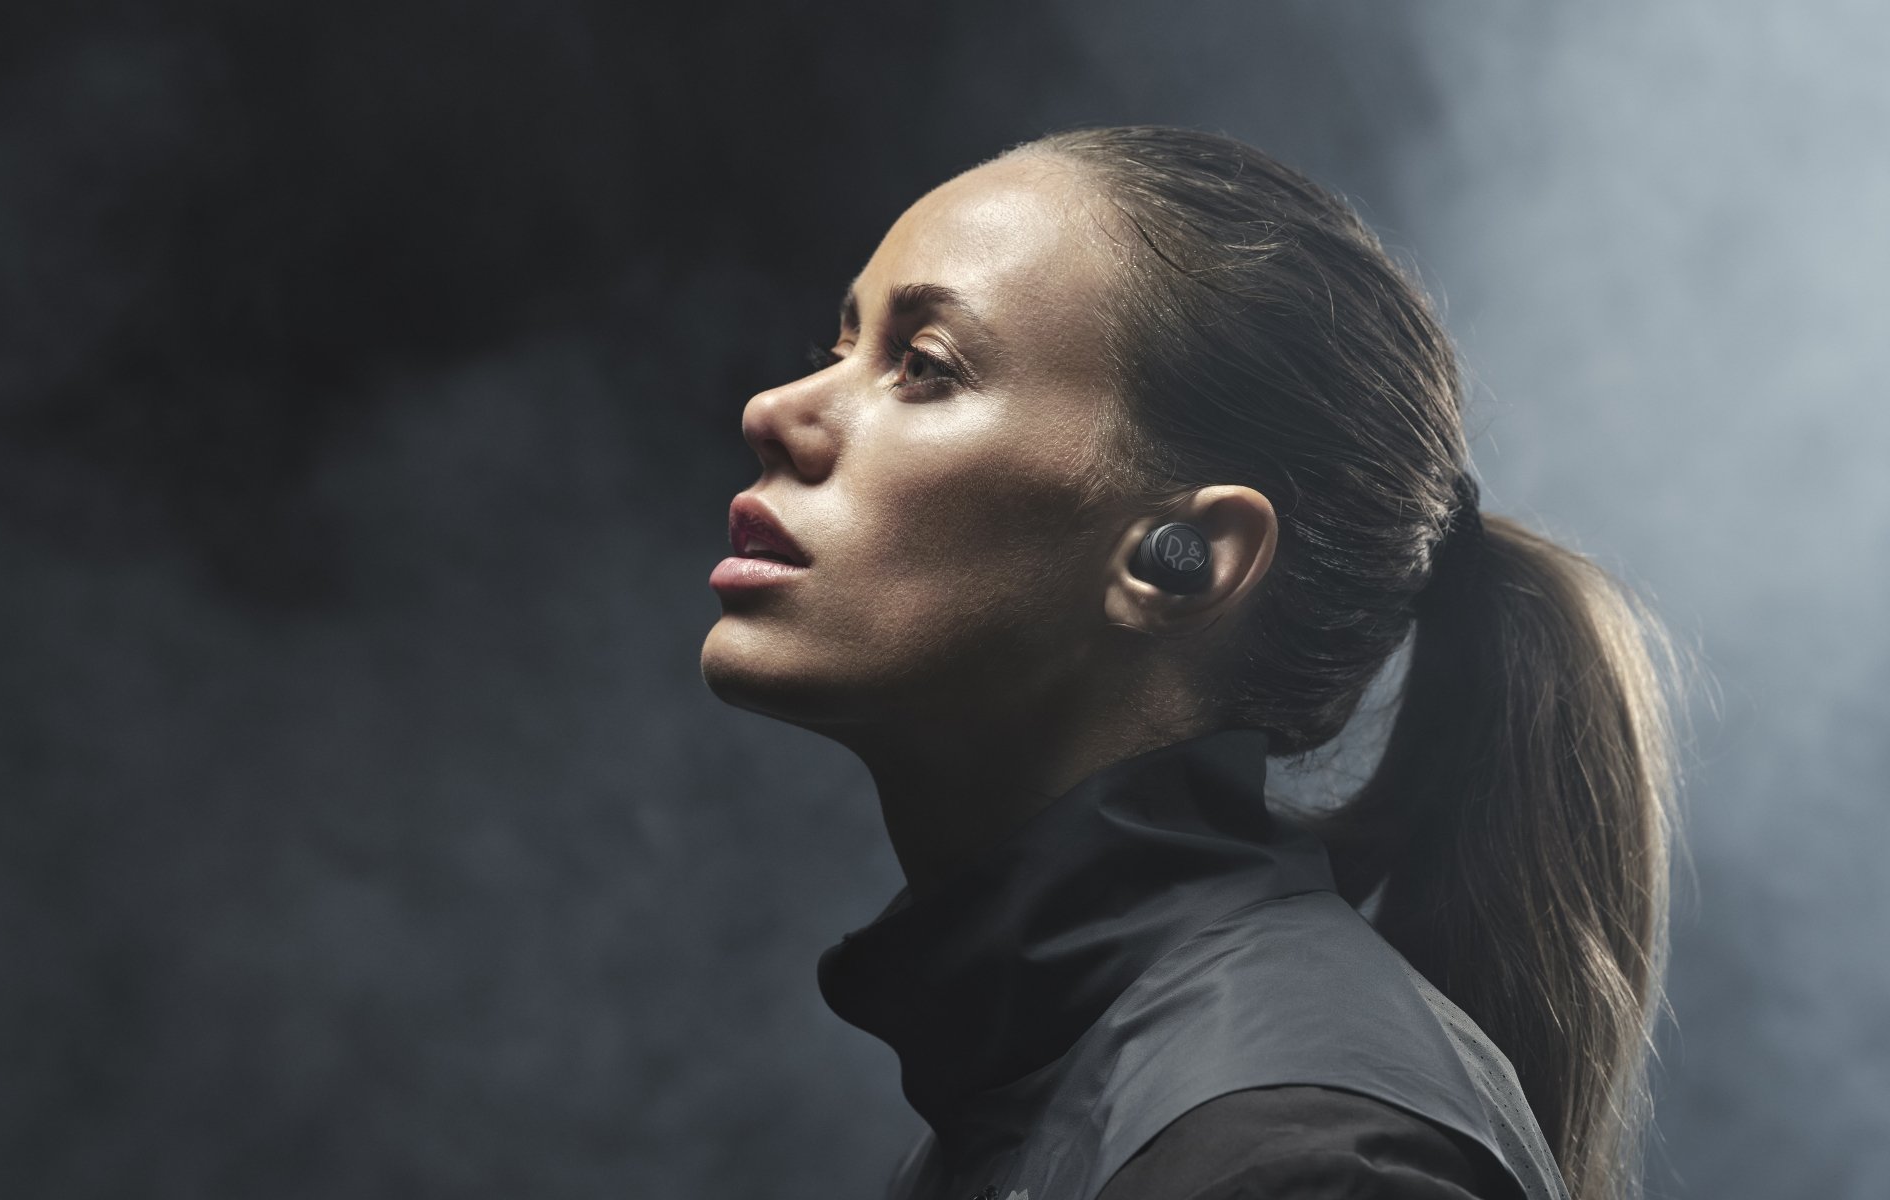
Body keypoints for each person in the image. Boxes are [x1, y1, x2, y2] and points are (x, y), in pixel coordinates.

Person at [701, 125, 1681, 1200]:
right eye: (838, 351)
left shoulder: (1293, 1162)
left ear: (1183, 561)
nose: (774, 411)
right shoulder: (1047, 1097)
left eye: (924, 367)